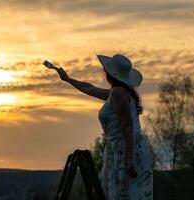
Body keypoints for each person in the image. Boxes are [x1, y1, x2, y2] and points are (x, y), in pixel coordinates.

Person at [52, 54, 153, 200]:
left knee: (122, 195)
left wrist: (129, 158)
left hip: (124, 149)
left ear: (110, 74)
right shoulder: (117, 92)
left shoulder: (118, 93)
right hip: (126, 148)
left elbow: (127, 125)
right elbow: (90, 88)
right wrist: (68, 79)